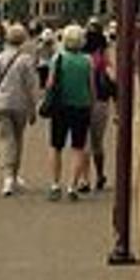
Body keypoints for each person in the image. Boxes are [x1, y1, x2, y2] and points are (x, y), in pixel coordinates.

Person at [0, 22, 41, 196]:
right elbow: (32, 86)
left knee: (5, 139)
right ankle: (14, 176)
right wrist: (33, 108)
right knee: (18, 139)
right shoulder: (26, 60)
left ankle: (8, 177)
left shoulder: (0, 58)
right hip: (20, 104)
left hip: (1, 103)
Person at [45, 22, 96, 200]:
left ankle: (54, 184)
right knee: (78, 147)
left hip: (61, 106)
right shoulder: (87, 60)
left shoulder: (57, 59)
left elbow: (50, 84)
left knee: (56, 145)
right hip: (81, 106)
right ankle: (72, 186)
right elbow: (91, 86)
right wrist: (92, 103)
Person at [84, 22, 117, 191]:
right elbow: (113, 82)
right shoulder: (103, 60)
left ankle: (84, 179)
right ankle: (100, 175)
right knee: (97, 143)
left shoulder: (79, 58)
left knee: (82, 142)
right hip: (100, 102)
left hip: (81, 102)